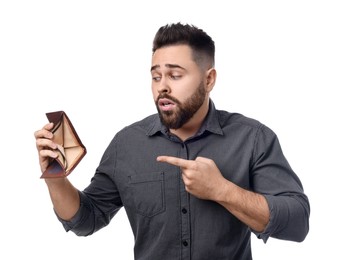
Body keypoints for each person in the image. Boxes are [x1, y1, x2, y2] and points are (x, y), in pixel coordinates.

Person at [34, 22, 310, 260]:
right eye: (156, 76)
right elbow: (86, 219)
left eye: (175, 75)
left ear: (209, 79)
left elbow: (297, 222)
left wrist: (221, 190)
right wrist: (56, 178)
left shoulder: (252, 138)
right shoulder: (126, 144)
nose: (162, 86)